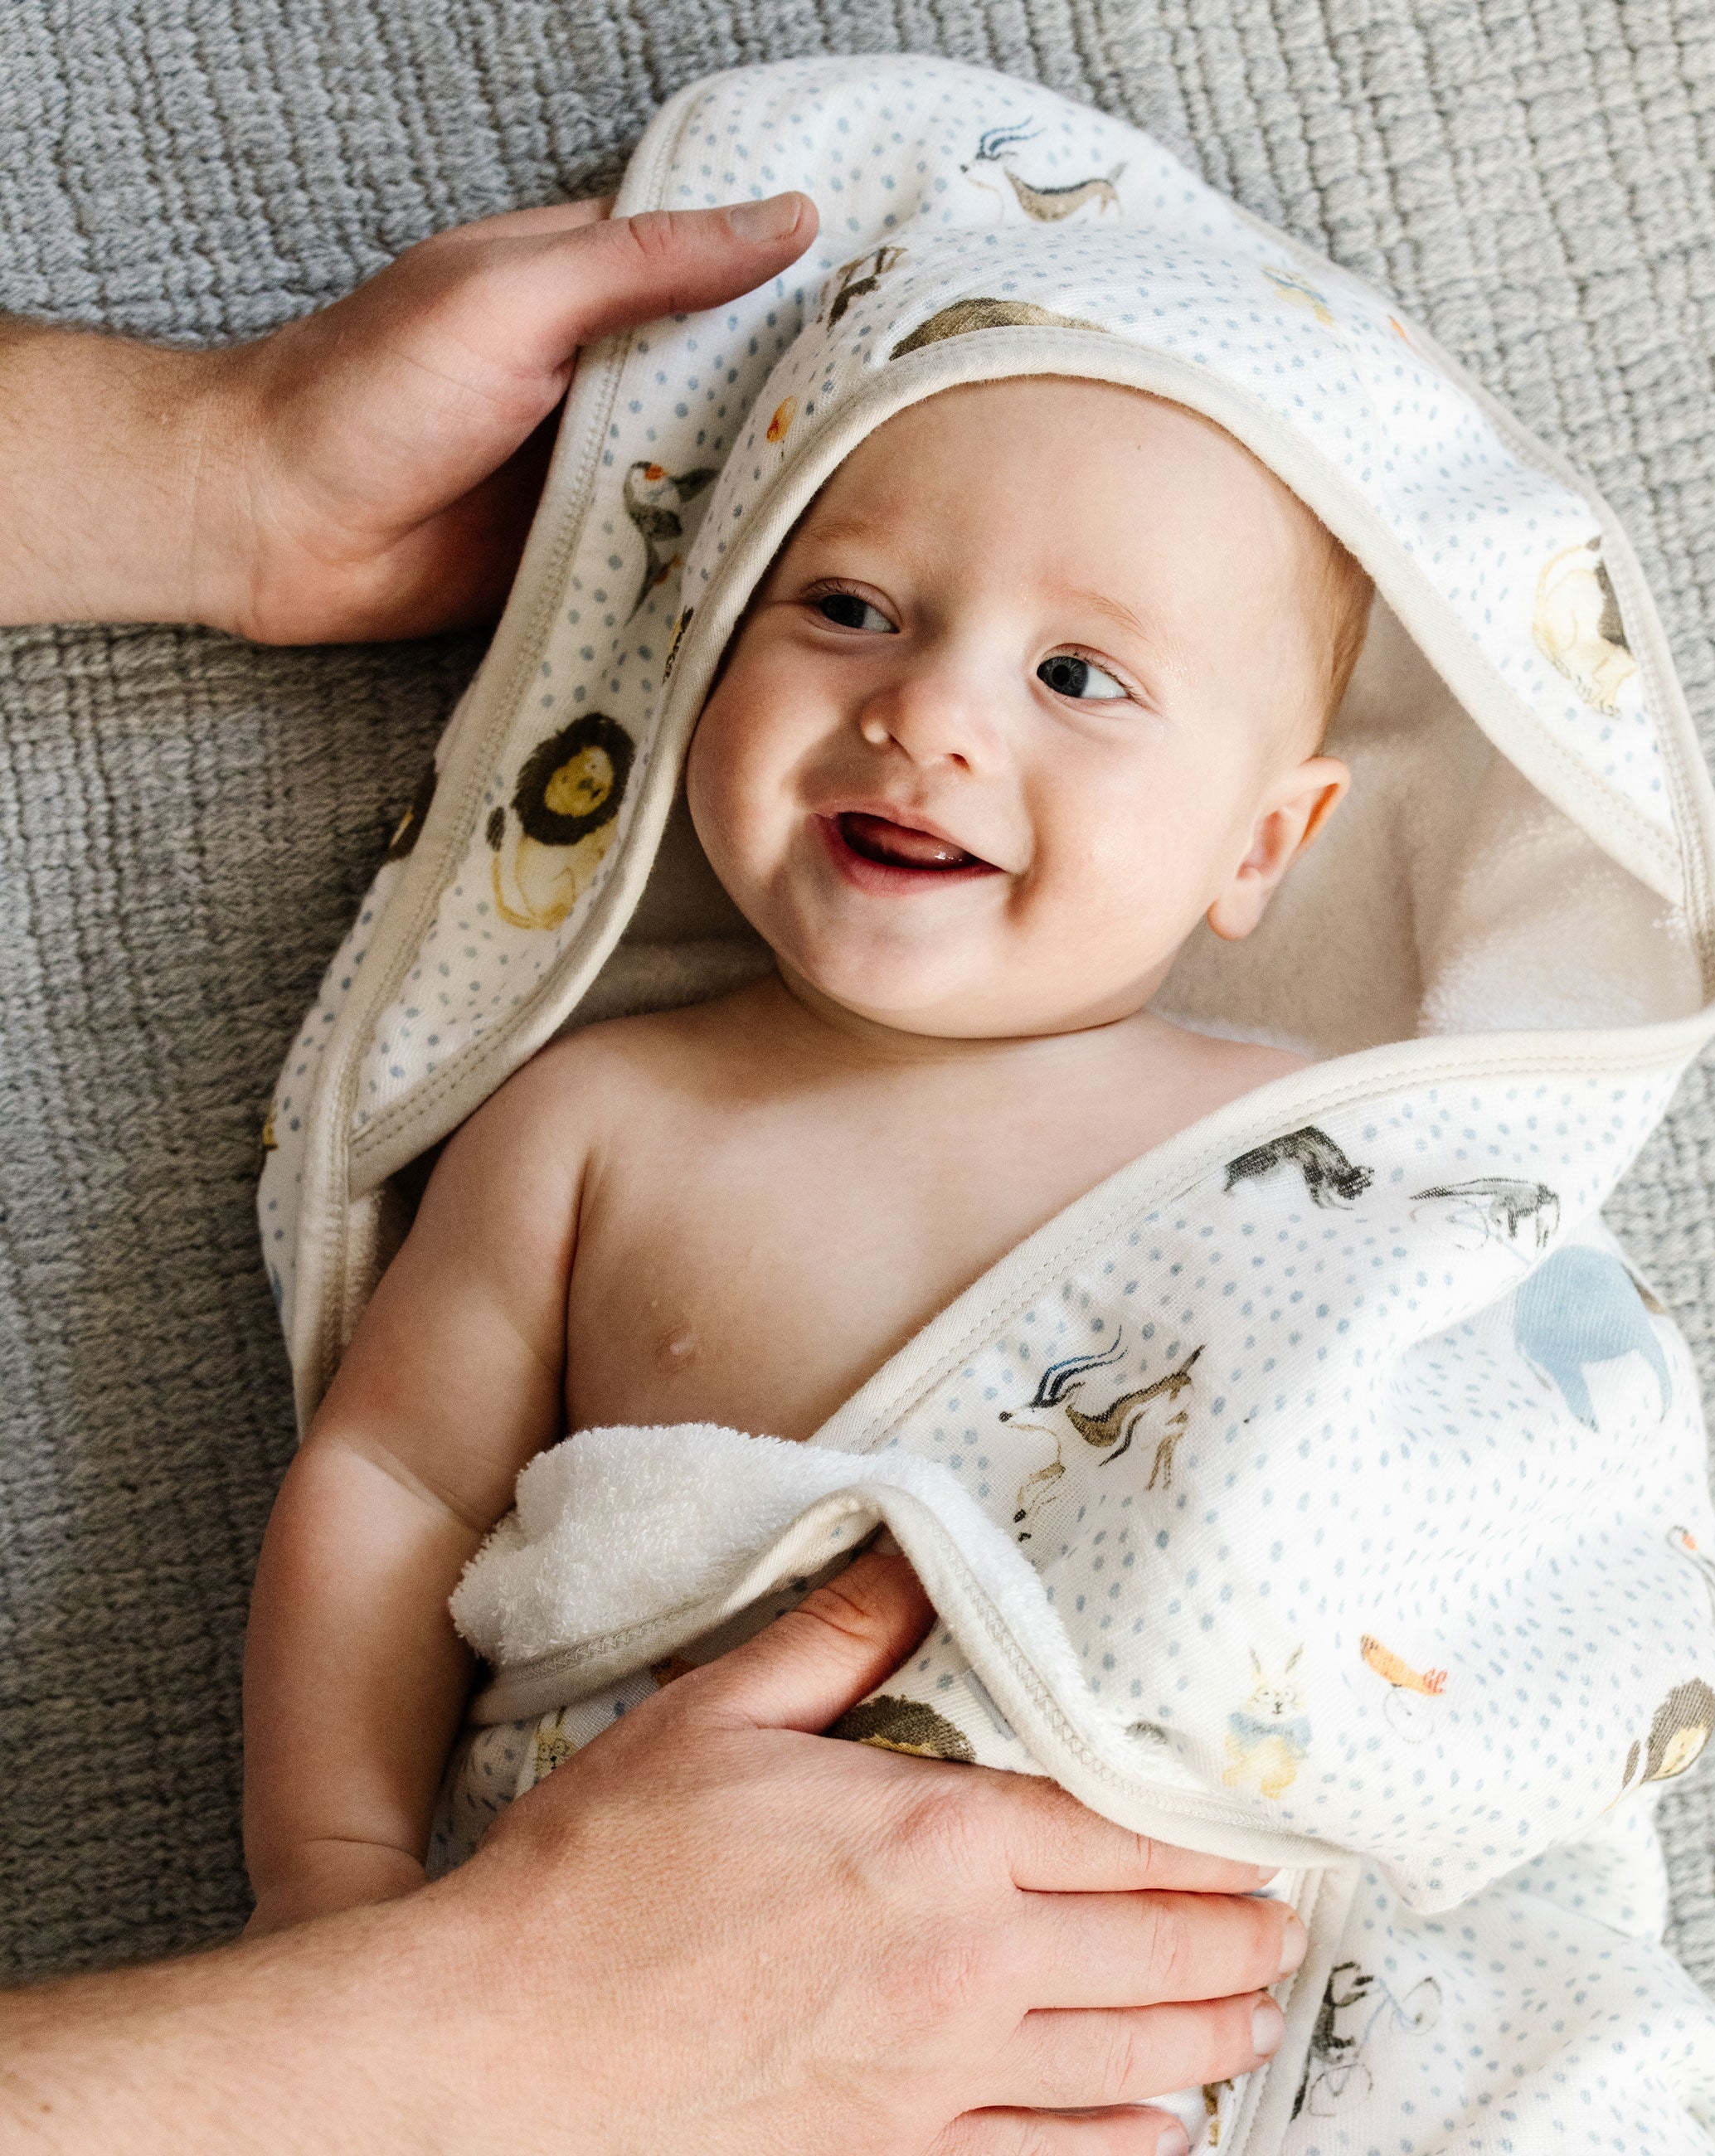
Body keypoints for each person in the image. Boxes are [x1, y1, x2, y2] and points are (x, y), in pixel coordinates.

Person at [0, 189, 1304, 2156]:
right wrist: (336, 1897)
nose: (928, 712)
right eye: (847, 606)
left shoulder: (1327, 1147)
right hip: (686, 2017)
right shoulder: (602, 1119)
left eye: (1078, 678)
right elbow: (391, 1482)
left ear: (1262, 850)